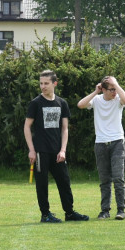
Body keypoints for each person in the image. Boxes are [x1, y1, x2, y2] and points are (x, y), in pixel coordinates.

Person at [24, 69, 89, 223]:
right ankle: (45, 215)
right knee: (42, 184)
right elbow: (27, 127)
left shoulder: (62, 103)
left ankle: (70, 213)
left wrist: (63, 150)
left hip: (57, 151)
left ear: (55, 83)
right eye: (41, 83)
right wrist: (32, 150)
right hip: (40, 151)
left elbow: (65, 128)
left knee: (64, 182)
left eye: (46, 83)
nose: (43, 86)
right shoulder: (35, 103)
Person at [78, 76, 125, 220]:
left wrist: (116, 84)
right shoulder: (97, 100)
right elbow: (80, 105)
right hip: (100, 143)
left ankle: (121, 210)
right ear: (104, 90)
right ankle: (105, 210)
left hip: (117, 142)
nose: (115, 92)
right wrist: (95, 92)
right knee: (104, 180)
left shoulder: (118, 100)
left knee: (118, 178)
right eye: (111, 89)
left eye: (115, 89)